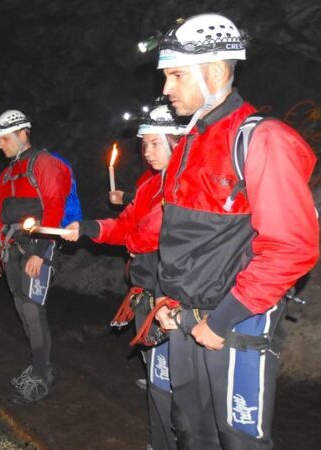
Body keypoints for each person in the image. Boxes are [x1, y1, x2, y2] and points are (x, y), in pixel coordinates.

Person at [149, 13, 318, 449]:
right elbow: (177, 239)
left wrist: (222, 320)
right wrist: (165, 298)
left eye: (176, 75)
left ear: (215, 71)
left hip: (235, 320)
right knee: (191, 433)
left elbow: (292, 247)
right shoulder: (188, 144)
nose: (165, 88)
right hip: (182, 317)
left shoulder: (262, 139)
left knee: (237, 440)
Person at [63, 103, 185, 450]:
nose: (147, 152)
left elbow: (148, 234)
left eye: (155, 143)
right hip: (147, 290)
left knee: (177, 383)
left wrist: (131, 240)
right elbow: (126, 224)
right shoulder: (151, 186)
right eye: (144, 145)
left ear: (177, 141)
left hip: (174, 297)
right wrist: (87, 227)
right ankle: (162, 442)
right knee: (159, 379)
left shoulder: (188, 185)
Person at [0, 109, 71, 404]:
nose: (0, 146)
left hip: (38, 246)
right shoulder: (6, 174)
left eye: (5, 139)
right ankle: (37, 364)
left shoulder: (44, 164)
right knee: (22, 308)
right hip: (12, 247)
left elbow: (54, 207)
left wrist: (41, 252)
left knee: (34, 310)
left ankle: (42, 374)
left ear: (24, 134)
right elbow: (0, 217)